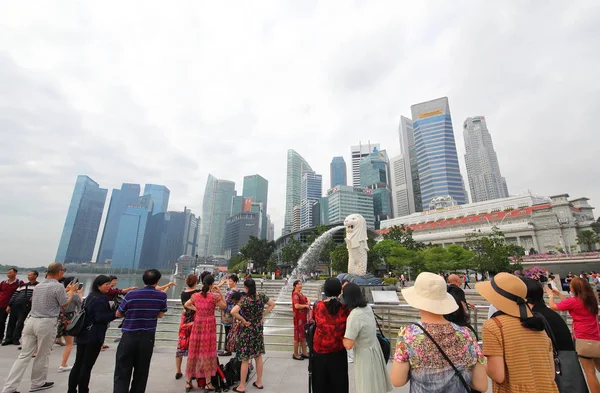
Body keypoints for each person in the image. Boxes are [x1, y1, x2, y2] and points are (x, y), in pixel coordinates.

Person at [391, 272, 487, 392]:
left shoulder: (408, 335)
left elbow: (397, 381)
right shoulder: (467, 334)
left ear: (417, 301)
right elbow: (481, 385)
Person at [476, 272, 559, 393]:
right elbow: (550, 374)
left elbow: (498, 375)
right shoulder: (538, 325)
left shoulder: (494, 325)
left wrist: (479, 361)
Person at [2, 262, 78, 393]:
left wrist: (65, 291)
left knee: (24, 355)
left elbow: (48, 297)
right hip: (46, 323)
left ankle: (9, 388)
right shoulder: (58, 286)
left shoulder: (39, 286)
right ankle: (37, 383)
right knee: (42, 355)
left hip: (31, 321)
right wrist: (71, 291)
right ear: (59, 272)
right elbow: (65, 303)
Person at [522, 277, 588, 392]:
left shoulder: (535, 318)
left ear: (525, 298)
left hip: (555, 372)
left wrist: (551, 296)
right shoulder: (548, 314)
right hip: (570, 363)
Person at [113, 269, 168, 393]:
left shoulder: (131, 295)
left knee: (122, 371)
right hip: (147, 338)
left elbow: (118, 313)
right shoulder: (161, 295)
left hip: (129, 336)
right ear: (158, 281)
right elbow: (160, 315)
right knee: (141, 372)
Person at [546, 277, 600, 393]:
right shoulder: (591, 300)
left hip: (583, 339)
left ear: (574, 289)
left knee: (589, 372)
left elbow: (553, 307)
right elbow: (569, 303)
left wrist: (551, 296)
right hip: (596, 337)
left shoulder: (574, 302)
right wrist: (559, 294)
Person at [67, 275, 117, 393]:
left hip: (83, 333)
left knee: (78, 364)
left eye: (110, 284)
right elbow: (99, 318)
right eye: (106, 285)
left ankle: (71, 389)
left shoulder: (90, 296)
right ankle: (83, 390)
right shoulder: (100, 299)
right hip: (93, 336)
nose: (109, 287)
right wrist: (116, 314)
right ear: (98, 285)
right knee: (87, 366)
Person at [342, 283, 392, 393]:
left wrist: (338, 335)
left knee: (366, 385)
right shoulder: (367, 307)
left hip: (364, 355)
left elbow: (348, 344)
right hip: (374, 349)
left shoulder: (354, 315)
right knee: (376, 383)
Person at [230, 278, 276, 393]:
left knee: (245, 359)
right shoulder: (261, 296)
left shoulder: (245, 300)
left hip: (247, 331)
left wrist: (243, 320)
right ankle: (259, 382)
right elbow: (272, 304)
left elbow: (233, 311)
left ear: (246, 288)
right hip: (258, 330)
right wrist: (263, 314)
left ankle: (241, 386)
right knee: (258, 356)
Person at [184, 274, 227, 392]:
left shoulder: (195, 296)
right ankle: (208, 383)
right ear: (212, 284)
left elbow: (187, 304)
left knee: (194, 351)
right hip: (209, 326)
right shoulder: (214, 297)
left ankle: (188, 382)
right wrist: (220, 292)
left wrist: (197, 309)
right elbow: (224, 306)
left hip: (198, 324)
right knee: (207, 352)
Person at [311, 278, 350, 393]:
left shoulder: (318, 307)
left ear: (325, 291)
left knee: (320, 385)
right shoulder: (344, 309)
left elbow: (313, 321)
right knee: (339, 385)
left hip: (319, 353)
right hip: (338, 352)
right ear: (339, 291)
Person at [3, 270, 39, 346]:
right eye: (28, 275)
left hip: (25, 306)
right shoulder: (22, 285)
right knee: (11, 322)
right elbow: (15, 294)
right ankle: (8, 338)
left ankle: (16, 338)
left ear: (35, 276)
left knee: (20, 322)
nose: (28, 276)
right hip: (16, 305)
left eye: (30, 275)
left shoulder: (39, 286)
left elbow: (40, 295)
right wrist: (9, 305)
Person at [175, 274, 200, 380]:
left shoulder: (183, 293)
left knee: (181, 345)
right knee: (194, 346)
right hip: (195, 319)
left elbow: (184, 306)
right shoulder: (197, 293)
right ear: (196, 282)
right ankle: (192, 371)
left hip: (184, 320)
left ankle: (178, 370)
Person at [56, 277, 84, 373]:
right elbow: (81, 307)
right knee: (69, 344)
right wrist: (80, 295)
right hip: (69, 320)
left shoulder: (61, 293)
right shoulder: (75, 296)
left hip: (58, 319)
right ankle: (63, 364)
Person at [219, 274, 242, 356]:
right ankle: (233, 348)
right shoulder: (237, 290)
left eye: (230, 281)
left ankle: (227, 350)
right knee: (233, 332)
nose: (228, 282)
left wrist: (221, 306)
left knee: (228, 332)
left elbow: (226, 303)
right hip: (234, 314)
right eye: (228, 280)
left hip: (228, 314)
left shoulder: (231, 292)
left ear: (235, 282)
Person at [0, 268, 23, 344]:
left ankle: (12, 338)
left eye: (10, 273)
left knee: (13, 322)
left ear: (15, 273)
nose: (8, 274)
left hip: (14, 305)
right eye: (8, 273)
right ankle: (1, 337)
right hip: (2, 304)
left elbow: (22, 293)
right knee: (1, 321)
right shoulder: (3, 282)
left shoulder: (19, 282)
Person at [291, 279, 310, 360]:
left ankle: (304, 353)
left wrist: (307, 302)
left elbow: (307, 299)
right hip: (298, 319)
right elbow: (296, 306)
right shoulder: (295, 294)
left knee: (303, 337)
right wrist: (306, 306)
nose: (300, 285)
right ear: (295, 286)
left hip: (303, 319)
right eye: (299, 284)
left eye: (301, 284)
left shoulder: (300, 294)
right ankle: (295, 354)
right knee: (297, 338)